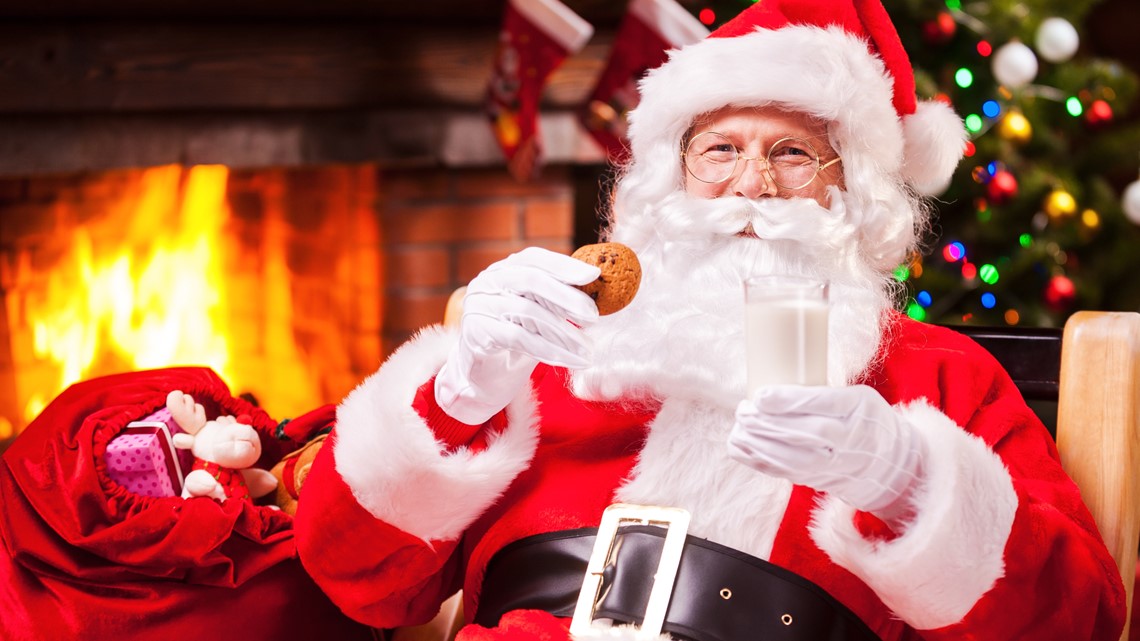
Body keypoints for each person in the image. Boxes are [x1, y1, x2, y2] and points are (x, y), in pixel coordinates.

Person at [294, 1, 1126, 639]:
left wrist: (902, 480)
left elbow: (1078, 620)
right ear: (673, 176)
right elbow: (353, 577)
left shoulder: (938, 376)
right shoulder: (552, 345)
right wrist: (458, 395)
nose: (751, 187)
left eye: (793, 153)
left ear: (855, 192)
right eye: (719, 149)